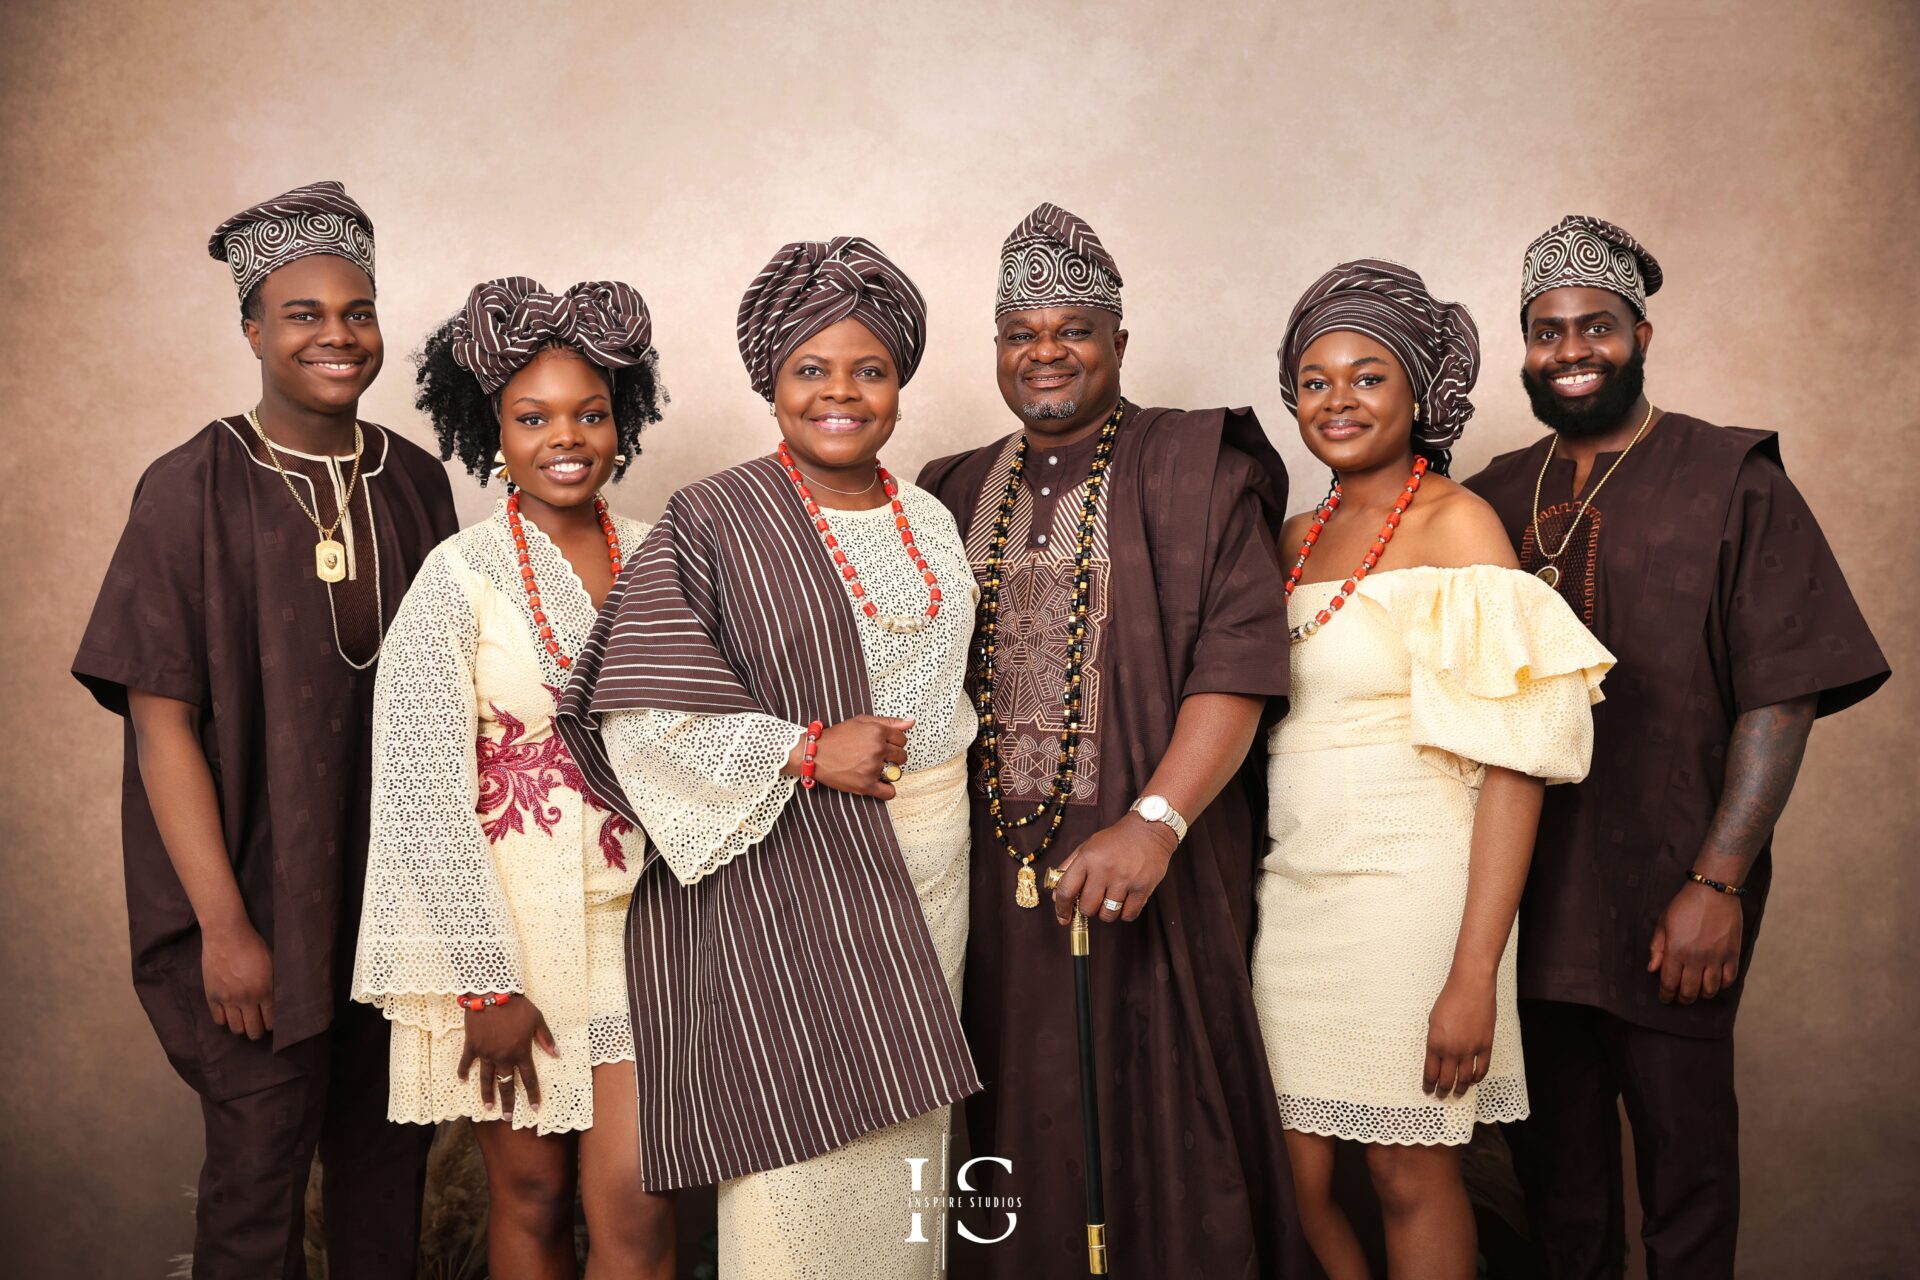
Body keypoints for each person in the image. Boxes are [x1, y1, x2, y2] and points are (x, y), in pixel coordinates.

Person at [1464, 215, 1891, 1278]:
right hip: (1523, 907)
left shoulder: (1733, 477)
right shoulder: (1492, 495)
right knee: (1556, 1198)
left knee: (1686, 1190)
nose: (1572, 350)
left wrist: (1719, 881)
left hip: (1673, 895)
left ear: (1642, 335)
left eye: (1596, 327)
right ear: (1526, 347)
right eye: (1548, 330)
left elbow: (1781, 696)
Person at [555, 236, 979, 1278]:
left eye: (869, 369)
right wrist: (802, 748)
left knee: (907, 1157)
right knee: (796, 1168)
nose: (842, 392)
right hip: (795, 880)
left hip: (935, 870)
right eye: (812, 369)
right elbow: (638, 712)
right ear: (772, 382)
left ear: (899, 381)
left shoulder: (929, 514)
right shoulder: (716, 517)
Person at [72, 180, 452, 1279]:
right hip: (254, 911)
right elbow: (161, 728)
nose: (337, 334)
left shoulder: (416, 483)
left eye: (358, 310)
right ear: (251, 328)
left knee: (389, 1193)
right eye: (303, 312)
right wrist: (227, 931)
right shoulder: (188, 486)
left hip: (395, 916)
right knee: (254, 1200)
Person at [918, 202, 1306, 1278]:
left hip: (1156, 869)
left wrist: (1155, 821)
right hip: (988, 886)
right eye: (1021, 332)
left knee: (1169, 1137)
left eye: (1073, 329)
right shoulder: (949, 489)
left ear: (1120, 342)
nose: (1046, 352)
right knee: (1007, 1141)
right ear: (996, 347)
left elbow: (1239, 660)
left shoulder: (1197, 466)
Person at [1253, 260, 1614, 1280]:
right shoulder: (1288, 540)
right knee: (1292, 1180)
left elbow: (1514, 766)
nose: (1338, 401)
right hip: (1297, 890)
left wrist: (1471, 973)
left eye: (1368, 376)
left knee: (1409, 1177)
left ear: (1419, 391)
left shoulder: (1458, 524)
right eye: (1315, 380)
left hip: (1418, 892)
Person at [350, 277, 674, 1277]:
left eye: (590, 412)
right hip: (511, 934)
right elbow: (415, 790)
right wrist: (485, 980)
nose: (564, 437)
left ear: (623, 418)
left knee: (638, 1198)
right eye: (533, 417)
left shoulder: (668, 555)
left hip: (648, 928)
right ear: (492, 426)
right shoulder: (460, 576)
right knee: (529, 1196)